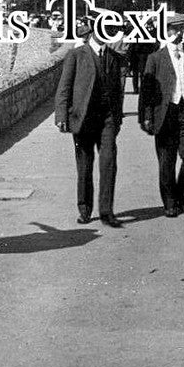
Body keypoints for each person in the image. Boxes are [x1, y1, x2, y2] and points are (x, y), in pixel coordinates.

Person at [54, 15, 125, 227]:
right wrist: (61, 116)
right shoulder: (76, 55)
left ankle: (106, 211)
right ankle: (84, 208)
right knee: (84, 166)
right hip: (83, 119)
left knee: (109, 162)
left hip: (107, 120)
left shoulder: (114, 57)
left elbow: (117, 91)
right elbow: (64, 87)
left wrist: (118, 117)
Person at [139, 15, 184, 218]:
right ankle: (170, 202)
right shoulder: (155, 58)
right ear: (167, 32)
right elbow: (146, 91)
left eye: (181, 29)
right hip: (165, 113)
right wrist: (146, 117)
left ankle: (179, 192)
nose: (179, 34)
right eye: (174, 30)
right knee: (167, 160)